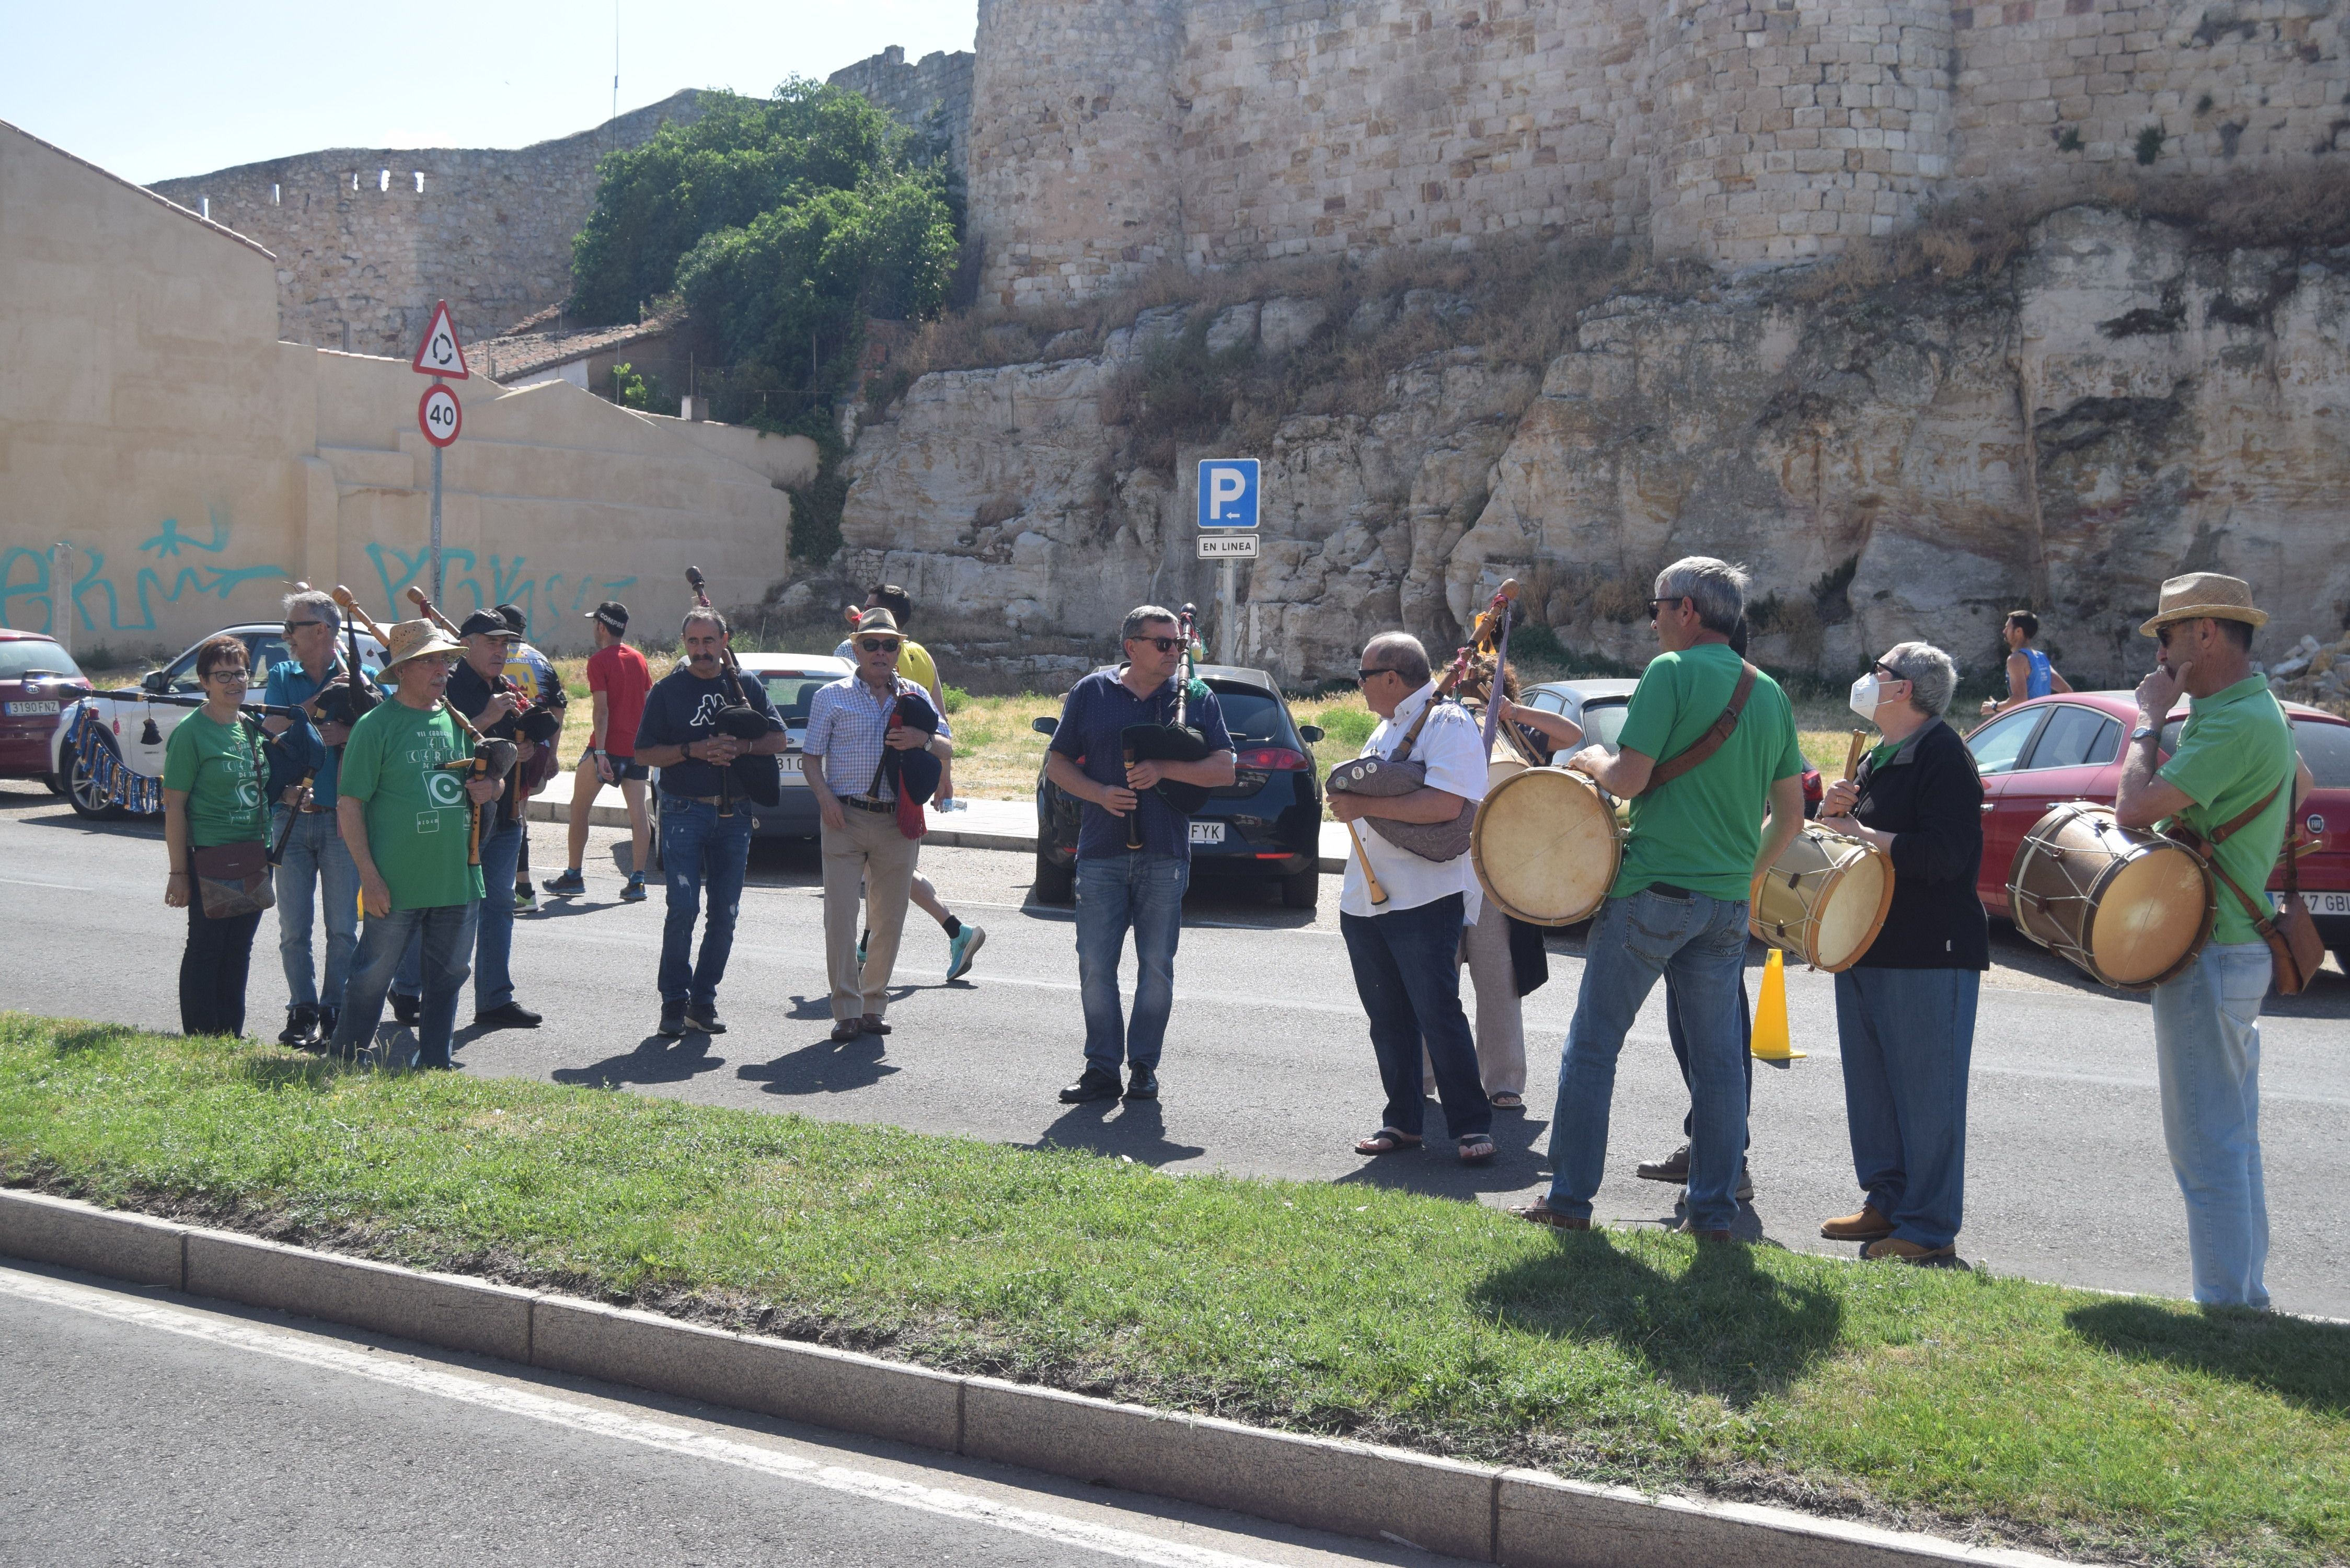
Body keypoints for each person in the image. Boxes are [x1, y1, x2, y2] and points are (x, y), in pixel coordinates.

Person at [1513, 557, 1805, 1241]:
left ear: (1689, 611)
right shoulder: (1770, 693)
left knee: (1593, 1049)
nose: (1652, 618)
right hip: (1727, 906)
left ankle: (1569, 1201)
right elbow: (1790, 817)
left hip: (1652, 893)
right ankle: (1711, 1212)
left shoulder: (1669, 674)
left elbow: (1631, 779)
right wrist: (1744, 876)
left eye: (1657, 605)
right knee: (1720, 1064)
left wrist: (1588, 761)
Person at [2114, 572, 2313, 1309]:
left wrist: (2149, 719)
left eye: (2166, 637)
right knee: (2233, 1136)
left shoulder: (2227, 721)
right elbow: (2301, 779)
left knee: (2207, 1145)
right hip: (2235, 943)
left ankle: (2230, 1306)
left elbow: (2133, 809)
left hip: (2211, 949)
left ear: (2205, 633)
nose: (2161, 654)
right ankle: (2245, 1292)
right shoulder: (2254, 709)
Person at [1814, 641, 1987, 1264]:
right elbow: (1848, 848)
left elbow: (1944, 856)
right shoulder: (1880, 757)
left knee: (1926, 1093)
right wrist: (1830, 816)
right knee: (1874, 1087)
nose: (1867, 679)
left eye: (1877, 672)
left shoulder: (1943, 754)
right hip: (1867, 942)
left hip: (1928, 950)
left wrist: (1862, 832)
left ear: (1903, 689)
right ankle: (1887, 1200)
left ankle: (1927, 1225)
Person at [1045, 605, 1236, 1103]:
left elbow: (1224, 769)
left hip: (1166, 854)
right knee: (1095, 965)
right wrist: (1099, 794)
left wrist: (1164, 769)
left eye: (1178, 643)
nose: (1176, 651)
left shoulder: (1195, 695)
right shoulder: (1092, 692)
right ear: (1132, 647)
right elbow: (1058, 763)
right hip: (1102, 851)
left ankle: (1144, 1068)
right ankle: (1102, 1069)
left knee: (1156, 966)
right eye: (1164, 643)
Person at [1333, 632, 1497, 1163]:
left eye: (1362, 676)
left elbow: (1448, 806)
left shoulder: (1446, 722)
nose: (1357, 685)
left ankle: (1471, 1127)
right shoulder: (1388, 729)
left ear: (1389, 677)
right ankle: (1401, 1122)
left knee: (1436, 1013)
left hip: (1423, 897)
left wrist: (1360, 804)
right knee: (1387, 1018)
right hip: (1366, 900)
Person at [325, 619, 500, 1069]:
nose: (441, 669)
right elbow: (349, 805)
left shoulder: (456, 719)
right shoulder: (375, 726)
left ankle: (435, 1064)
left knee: (448, 978)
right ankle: (345, 1059)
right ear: (402, 670)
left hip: (457, 877)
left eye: (444, 659)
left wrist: (489, 790)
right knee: (370, 978)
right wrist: (369, 877)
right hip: (395, 882)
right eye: (429, 661)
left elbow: (483, 785)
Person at [632, 605, 789, 1038]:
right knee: (682, 909)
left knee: (725, 913)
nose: (702, 651)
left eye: (709, 641)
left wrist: (740, 747)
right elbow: (643, 753)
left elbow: (777, 738)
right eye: (693, 642)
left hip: (736, 814)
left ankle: (703, 1002)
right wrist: (693, 750)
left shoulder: (746, 686)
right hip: (683, 811)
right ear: (685, 645)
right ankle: (673, 1003)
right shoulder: (666, 693)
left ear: (724, 642)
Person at [804, 607, 959, 1042]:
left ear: (899, 649)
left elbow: (946, 746)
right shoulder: (830, 696)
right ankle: (845, 1011)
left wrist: (923, 740)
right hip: (844, 816)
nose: (880, 652)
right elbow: (811, 758)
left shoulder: (914, 695)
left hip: (897, 819)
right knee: (841, 916)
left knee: (889, 917)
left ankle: (873, 1005)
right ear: (856, 649)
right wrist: (825, 800)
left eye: (889, 645)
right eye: (871, 644)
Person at [1445, 663, 1581, 1109]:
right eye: (1466, 691)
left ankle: (1503, 1083)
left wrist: (1512, 712)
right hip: (1444, 869)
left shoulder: (1520, 734)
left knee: (1499, 982)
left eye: (1479, 694)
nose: (1471, 702)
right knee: (1435, 981)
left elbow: (1571, 734)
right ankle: (1424, 1077)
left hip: (1497, 877)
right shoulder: (1444, 727)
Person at [835, 582, 986, 979]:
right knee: (887, 872)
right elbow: (942, 723)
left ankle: (955, 930)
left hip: (875, 783)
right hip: (910, 777)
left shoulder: (854, 652)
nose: (861, 612)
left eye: (869, 608)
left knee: (885, 873)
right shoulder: (922, 656)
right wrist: (943, 777)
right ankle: (869, 951)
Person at [260, 588, 369, 1046]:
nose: (286, 635)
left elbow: (377, 725)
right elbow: (272, 725)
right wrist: (321, 702)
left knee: (343, 927)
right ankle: (301, 1010)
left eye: (293, 627)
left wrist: (349, 728)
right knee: (293, 928)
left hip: (343, 820)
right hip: (291, 816)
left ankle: (335, 1008)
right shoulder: (284, 673)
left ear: (321, 631)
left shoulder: (360, 678)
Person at [162, 634, 273, 1037]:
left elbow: (259, 786)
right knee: (208, 948)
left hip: (254, 852)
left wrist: (294, 794)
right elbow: (174, 806)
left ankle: (230, 1034)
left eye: (241, 672)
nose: (235, 682)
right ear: (204, 682)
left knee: (239, 948)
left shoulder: (249, 727)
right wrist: (179, 873)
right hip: (210, 853)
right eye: (223, 675)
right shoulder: (192, 733)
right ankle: (201, 1035)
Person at [446, 609, 542, 1031]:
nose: (501, 651)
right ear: (466, 645)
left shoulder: (505, 689)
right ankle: (411, 990)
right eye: (492, 642)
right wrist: (485, 718)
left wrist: (523, 751)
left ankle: (494, 1000)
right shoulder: (447, 687)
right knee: (451, 909)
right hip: (461, 817)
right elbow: (445, 747)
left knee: (499, 907)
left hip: (505, 815)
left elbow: (509, 752)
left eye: (505, 643)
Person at [545, 599, 652, 902]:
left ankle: (574, 875)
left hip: (605, 749)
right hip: (635, 751)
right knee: (639, 816)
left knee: (579, 808)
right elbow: (649, 702)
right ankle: (638, 881)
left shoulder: (599, 661)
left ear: (602, 627)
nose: (594, 628)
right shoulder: (640, 659)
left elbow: (601, 711)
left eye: (595, 623)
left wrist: (601, 752)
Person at [497, 602, 566, 911]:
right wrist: (553, 752)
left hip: (503, 751)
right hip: (538, 750)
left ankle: (521, 890)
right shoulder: (540, 659)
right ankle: (518, 887)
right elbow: (558, 706)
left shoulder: (491, 657)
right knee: (519, 815)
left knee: (512, 818)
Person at [1980, 609, 2071, 716]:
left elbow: (2020, 700)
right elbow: (2067, 691)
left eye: (2008, 628)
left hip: (2028, 723)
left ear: (2019, 631)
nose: (2004, 631)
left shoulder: (2016, 659)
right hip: (2043, 723)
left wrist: (1994, 707)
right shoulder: (2041, 658)